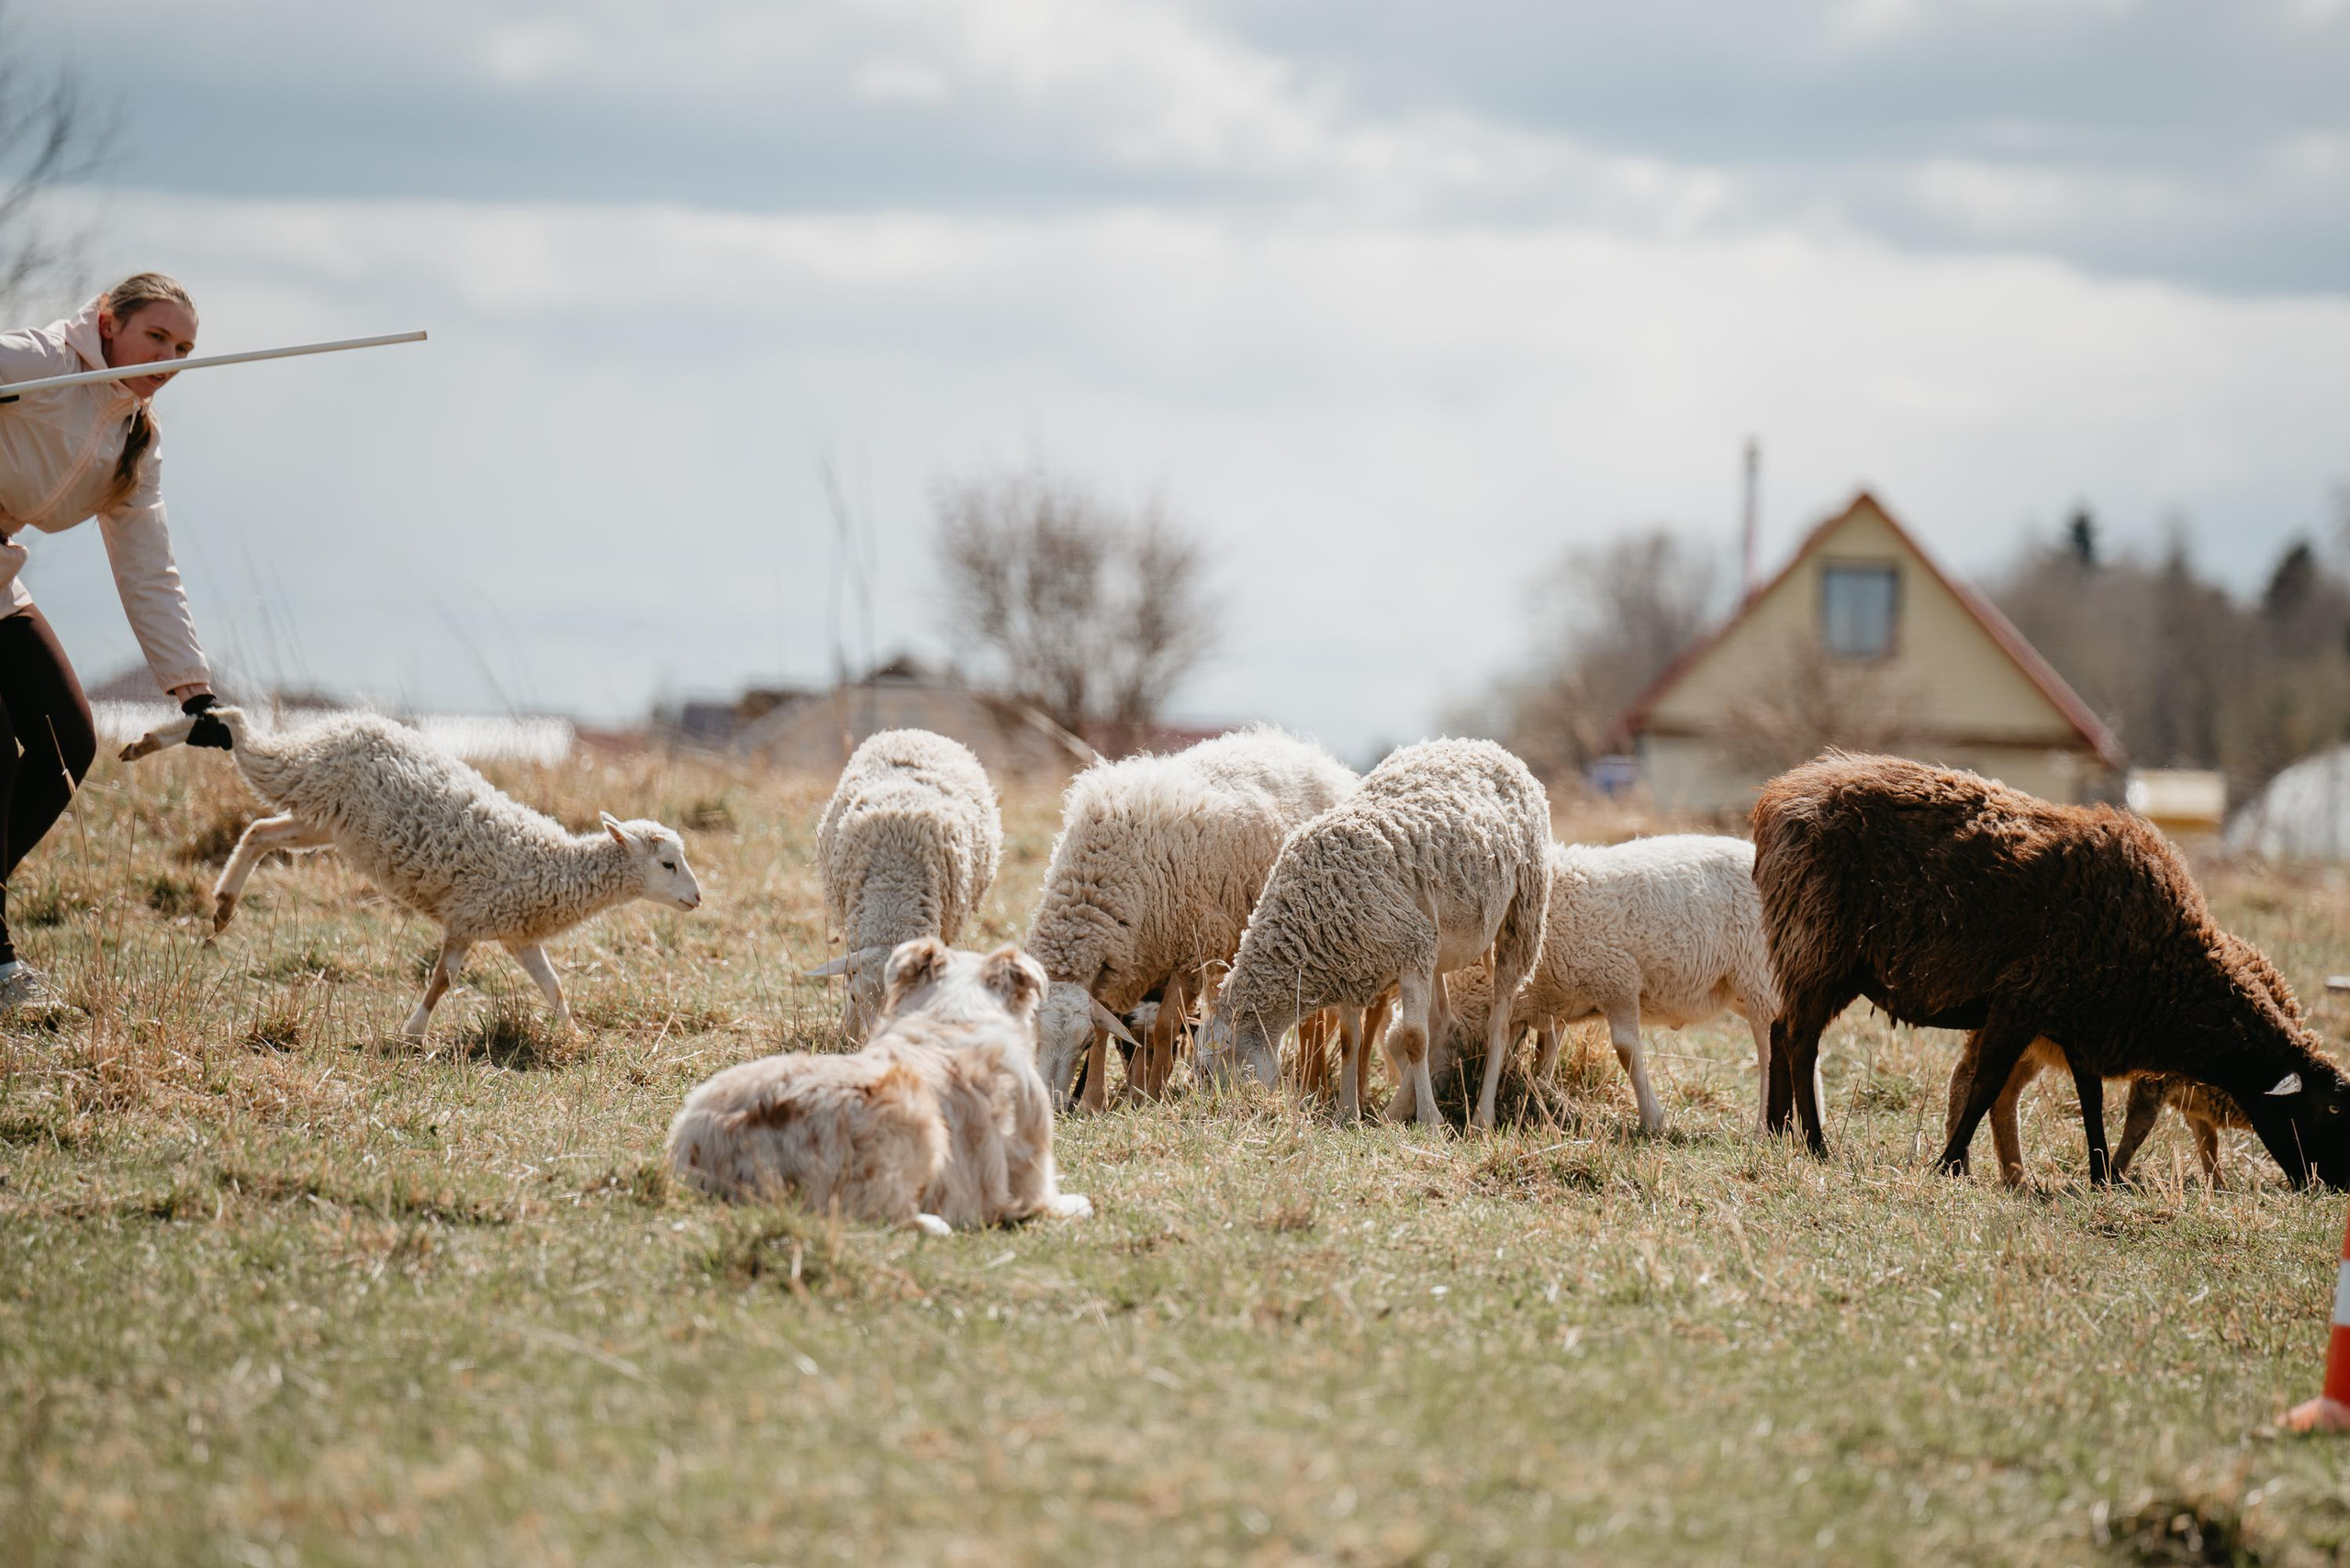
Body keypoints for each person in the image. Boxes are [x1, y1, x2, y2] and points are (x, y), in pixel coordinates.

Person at [0, 273, 232, 1006]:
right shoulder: (39, 362)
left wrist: (192, 687)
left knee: (66, 741)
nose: (169, 356)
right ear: (107, 323)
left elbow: (148, 567)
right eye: (156, 336)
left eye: (184, 348)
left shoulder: (135, 439)